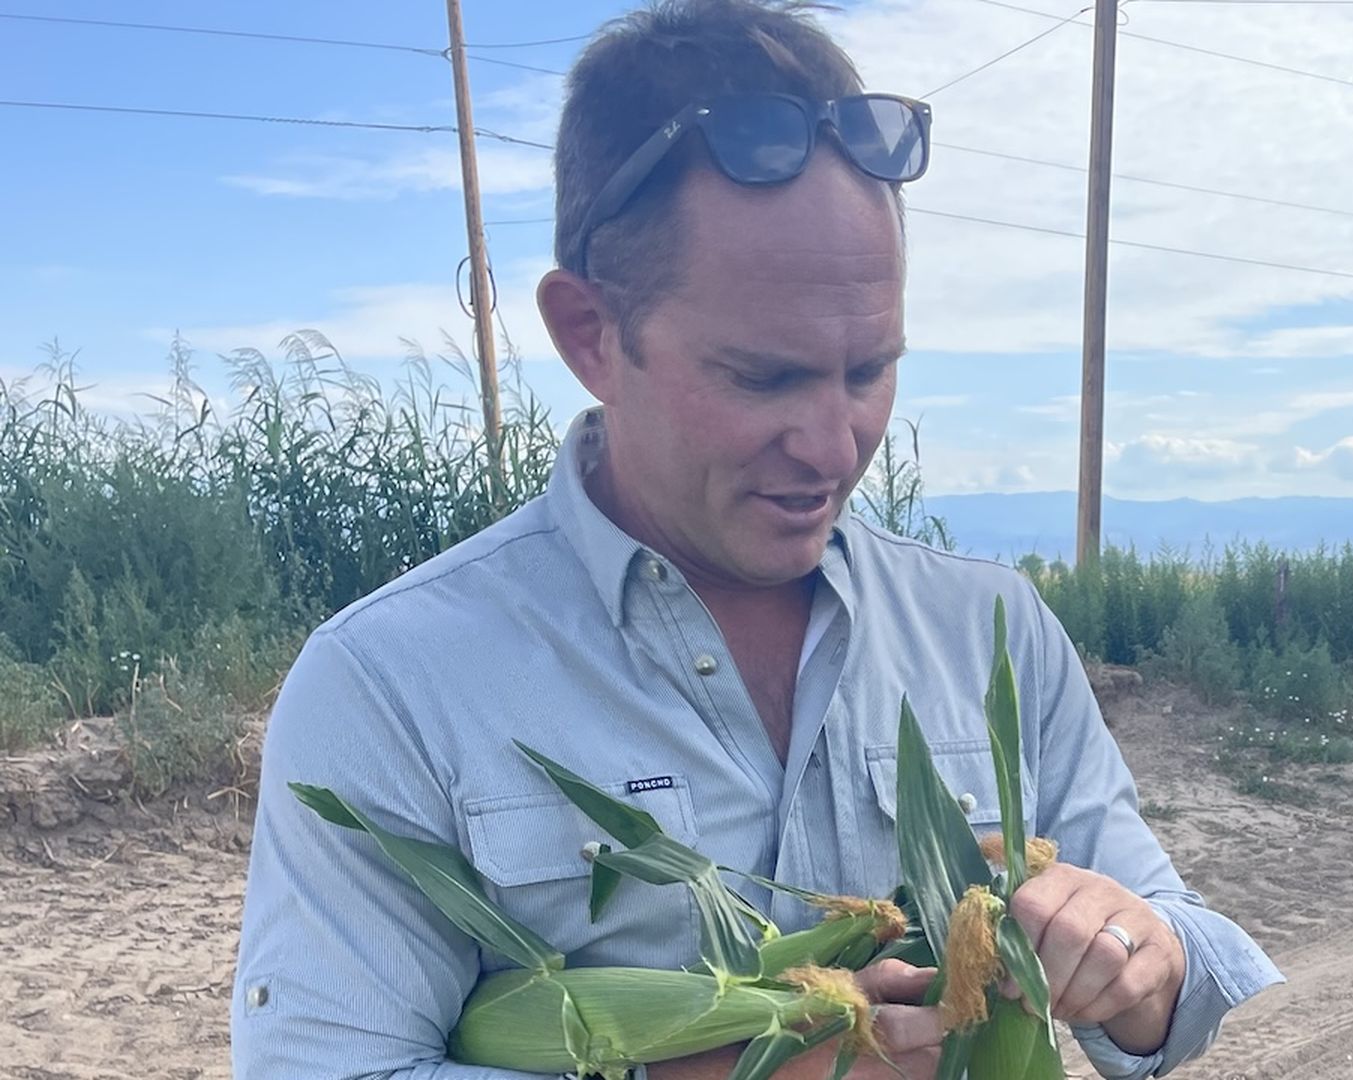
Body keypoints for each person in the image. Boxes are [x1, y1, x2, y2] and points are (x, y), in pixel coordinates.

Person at [229, 1, 1282, 1076]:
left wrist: (1139, 968)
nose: (835, 445)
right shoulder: (389, 685)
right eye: (764, 376)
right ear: (591, 334)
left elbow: (1173, 943)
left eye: (870, 369)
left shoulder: (991, 629)